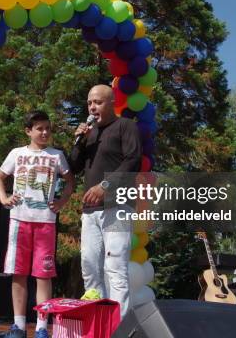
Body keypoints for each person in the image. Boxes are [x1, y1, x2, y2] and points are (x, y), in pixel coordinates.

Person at [0, 110, 74, 338]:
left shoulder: (57, 155)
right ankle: (18, 325)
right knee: (18, 273)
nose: (45, 132)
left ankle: (41, 326)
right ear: (28, 131)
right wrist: (3, 198)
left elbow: (70, 181)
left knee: (43, 274)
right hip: (19, 220)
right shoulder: (17, 153)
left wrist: (62, 201)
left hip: (45, 222)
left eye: (48, 128)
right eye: (39, 128)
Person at [69, 85, 141, 319]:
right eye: (90, 102)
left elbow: (133, 161)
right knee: (89, 266)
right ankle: (97, 321)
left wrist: (105, 186)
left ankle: (118, 327)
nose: (92, 107)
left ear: (112, 103)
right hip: (90, 211)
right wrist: (79, 142)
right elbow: (74, 167)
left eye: (98, 102)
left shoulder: (126, 126)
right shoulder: (90, 133)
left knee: (115, 267)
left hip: (118, 206)